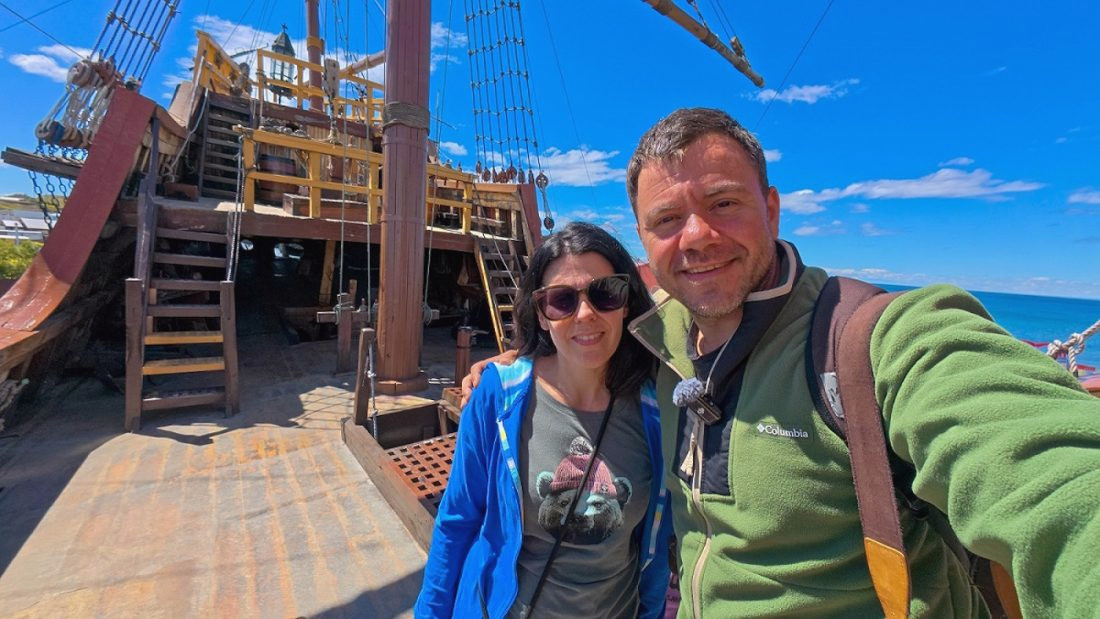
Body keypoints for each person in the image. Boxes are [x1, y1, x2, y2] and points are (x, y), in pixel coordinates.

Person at [464, 108, 1100, 617]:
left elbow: (1054, 482)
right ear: (645, 241)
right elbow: (582, 334)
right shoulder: (657, 336)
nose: (696, 236)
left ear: (770, 209)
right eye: (667, 219)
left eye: (723, 203)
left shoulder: (873, 339)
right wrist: (518, 364)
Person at [415, 222, 673, 619]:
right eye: (561, 300)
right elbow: (458, 520)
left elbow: (655, 541)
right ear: (541, 314)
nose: (585, 314)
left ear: (626, 303)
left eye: (605, 293)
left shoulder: (657, 409)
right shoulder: (499, 397)